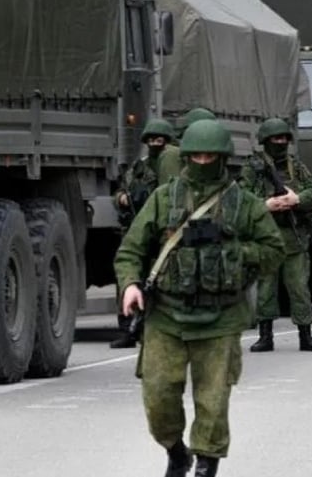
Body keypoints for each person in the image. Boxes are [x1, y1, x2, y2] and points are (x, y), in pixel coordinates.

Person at [113, 119, 284, 477]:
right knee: (158, 399)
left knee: (213, 401)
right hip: (166, 315)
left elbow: (274, 251)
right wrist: (130, 284)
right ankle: (176, 452)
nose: (203, 162)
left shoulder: (244, 204)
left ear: (223, 158)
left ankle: (207, 463)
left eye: (211, 156)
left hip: (221, 318)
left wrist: (235, 254)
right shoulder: (164, 199)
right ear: (186, 157)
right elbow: (131, 250)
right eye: (197, 156)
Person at [240, 117, 312, 352]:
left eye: (283, 138)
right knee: (266, 288)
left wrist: (296, 199)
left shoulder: (296, 167)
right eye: (275, 139)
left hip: (293, 237)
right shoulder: (253, 168)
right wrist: (265, 205)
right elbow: (242, 198)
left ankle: (305, 334)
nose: (280, 143)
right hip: (266, 237)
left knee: (299, 287)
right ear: (265, 141)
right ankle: (265, 335)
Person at [110, 118, 182, 348]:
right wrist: (123, 198)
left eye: (159, 140)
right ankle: (127, 329)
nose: (154, 144)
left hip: (162, 231)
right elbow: (120, 191)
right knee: (129, 276)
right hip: (139, 227)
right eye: (150, 140)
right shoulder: (138, 168)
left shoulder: (174, 165)